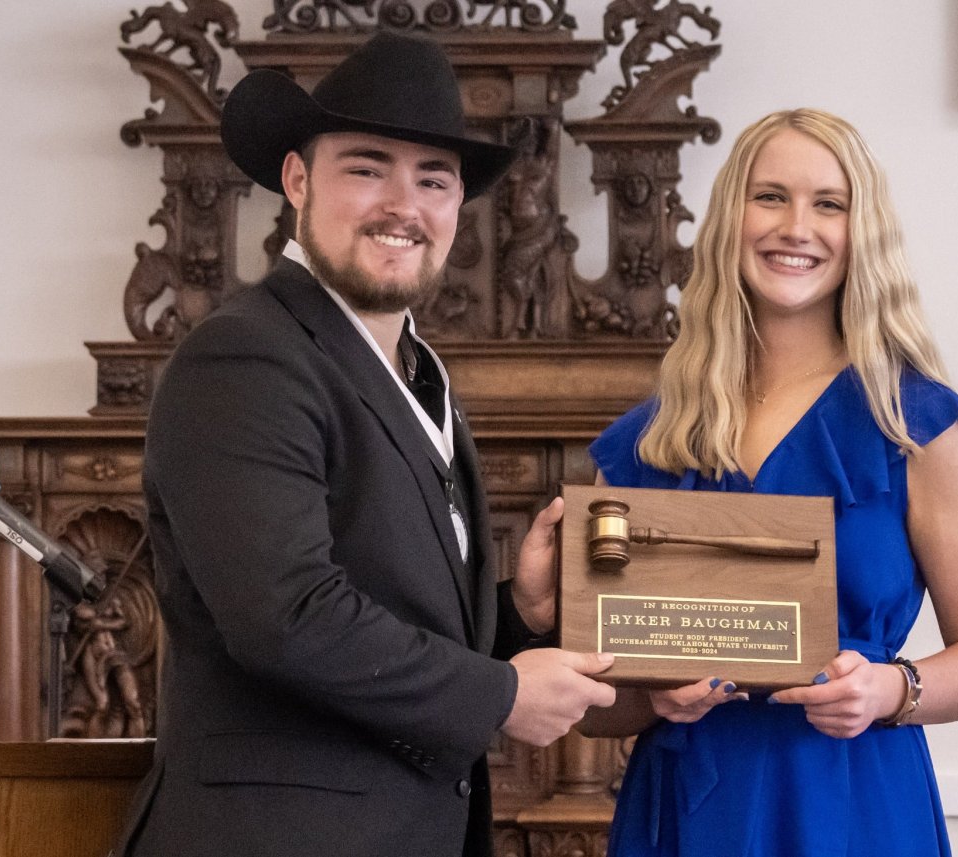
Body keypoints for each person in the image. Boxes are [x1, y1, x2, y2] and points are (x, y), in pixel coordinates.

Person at [113, 31, 616, 857]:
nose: (402, 204)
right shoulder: (246, 354)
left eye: (433, 178)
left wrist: (517, 615)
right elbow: (289, 616)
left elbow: (391, 615)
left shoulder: (416, 370)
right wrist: (496, 695)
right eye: (367, 166)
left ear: (458, 207)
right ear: (298, 180)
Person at [579, 108, 958, 856]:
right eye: (771, 196)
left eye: (829, 203)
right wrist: (652, 695)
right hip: (688, 804)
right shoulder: (642, 444)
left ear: (862, 232)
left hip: (853, 800)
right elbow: (592, 703)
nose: (796, 226)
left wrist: (888, 689)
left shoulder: (916, 426)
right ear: (730, 219)